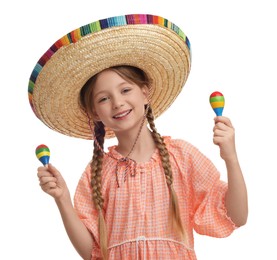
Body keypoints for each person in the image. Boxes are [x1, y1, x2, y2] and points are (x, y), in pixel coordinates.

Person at [29, 14, 248, 260]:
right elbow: (92, 252)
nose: (117, 103)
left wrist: (230, 156)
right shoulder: (97, 172)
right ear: (94, 112)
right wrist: (62, 199)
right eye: (103, 98)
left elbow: (236, 217)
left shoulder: (182, 157)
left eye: (125, 90)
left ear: (145, 93)